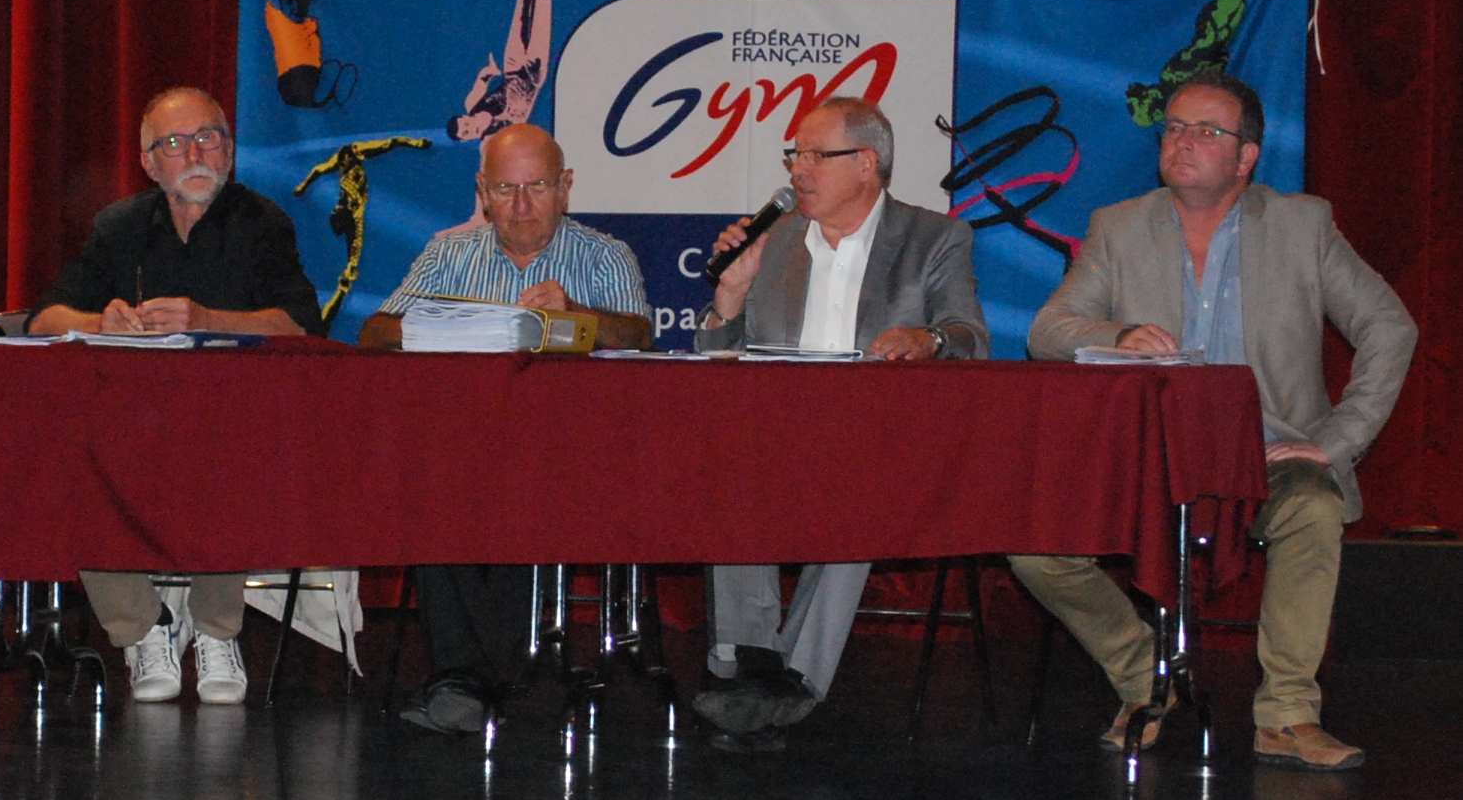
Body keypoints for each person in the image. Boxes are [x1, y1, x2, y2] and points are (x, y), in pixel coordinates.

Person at [1010, 70, 1413, 771]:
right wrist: (1119, 332)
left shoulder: (1302, 224)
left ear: (1246, 156)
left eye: (1206, 130)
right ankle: (1145, 676)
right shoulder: (1119, 225)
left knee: (1313, 509)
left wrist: (1334, 441)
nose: (1182, 141)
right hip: (1149, 462)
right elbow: (1049, 328)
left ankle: (1287, 713)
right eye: (1173, 127)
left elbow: (1390, 326)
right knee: (1032, 545)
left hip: (1266, 456)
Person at [689, 96, 988, 750]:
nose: (799, 168)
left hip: (881, 440)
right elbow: (716, 371)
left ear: (867, 164)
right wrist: (730, 298)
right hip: (776, 437)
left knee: (861, 500)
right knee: (733, 470)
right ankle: (762, 673)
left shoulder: (934, 238)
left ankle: (771, 678)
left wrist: (928, 340)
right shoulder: (773, 241)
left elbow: (972, 337)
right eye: (794, 154)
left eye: (816, 155)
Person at [28, 87, 322, 704]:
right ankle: (144, 627)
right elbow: (40, 319)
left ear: (230, 149)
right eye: (172, 143)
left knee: (233, 451)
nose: (192, 153)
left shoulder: (263, 222)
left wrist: (207, 317)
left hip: (232, 417)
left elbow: (301, 324)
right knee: (69, 457)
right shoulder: (119, 227)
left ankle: (217, 632)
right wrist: (95, 322)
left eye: (206, 138)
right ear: (148, 162)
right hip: (131, 420)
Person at [357, 123, 652, 734]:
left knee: (517, 489)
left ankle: (475, 677)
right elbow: (376, 333)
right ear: (482, 192)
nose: (520, 206)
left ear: (565, 187)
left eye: (537, 188)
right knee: (430, 483)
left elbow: (641, 338)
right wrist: (461, 323)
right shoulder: (449, 254)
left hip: (567, 452)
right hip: (461, 445)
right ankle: (467, 676)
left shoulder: (604, 255)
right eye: (506, 189)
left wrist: (577, 316)